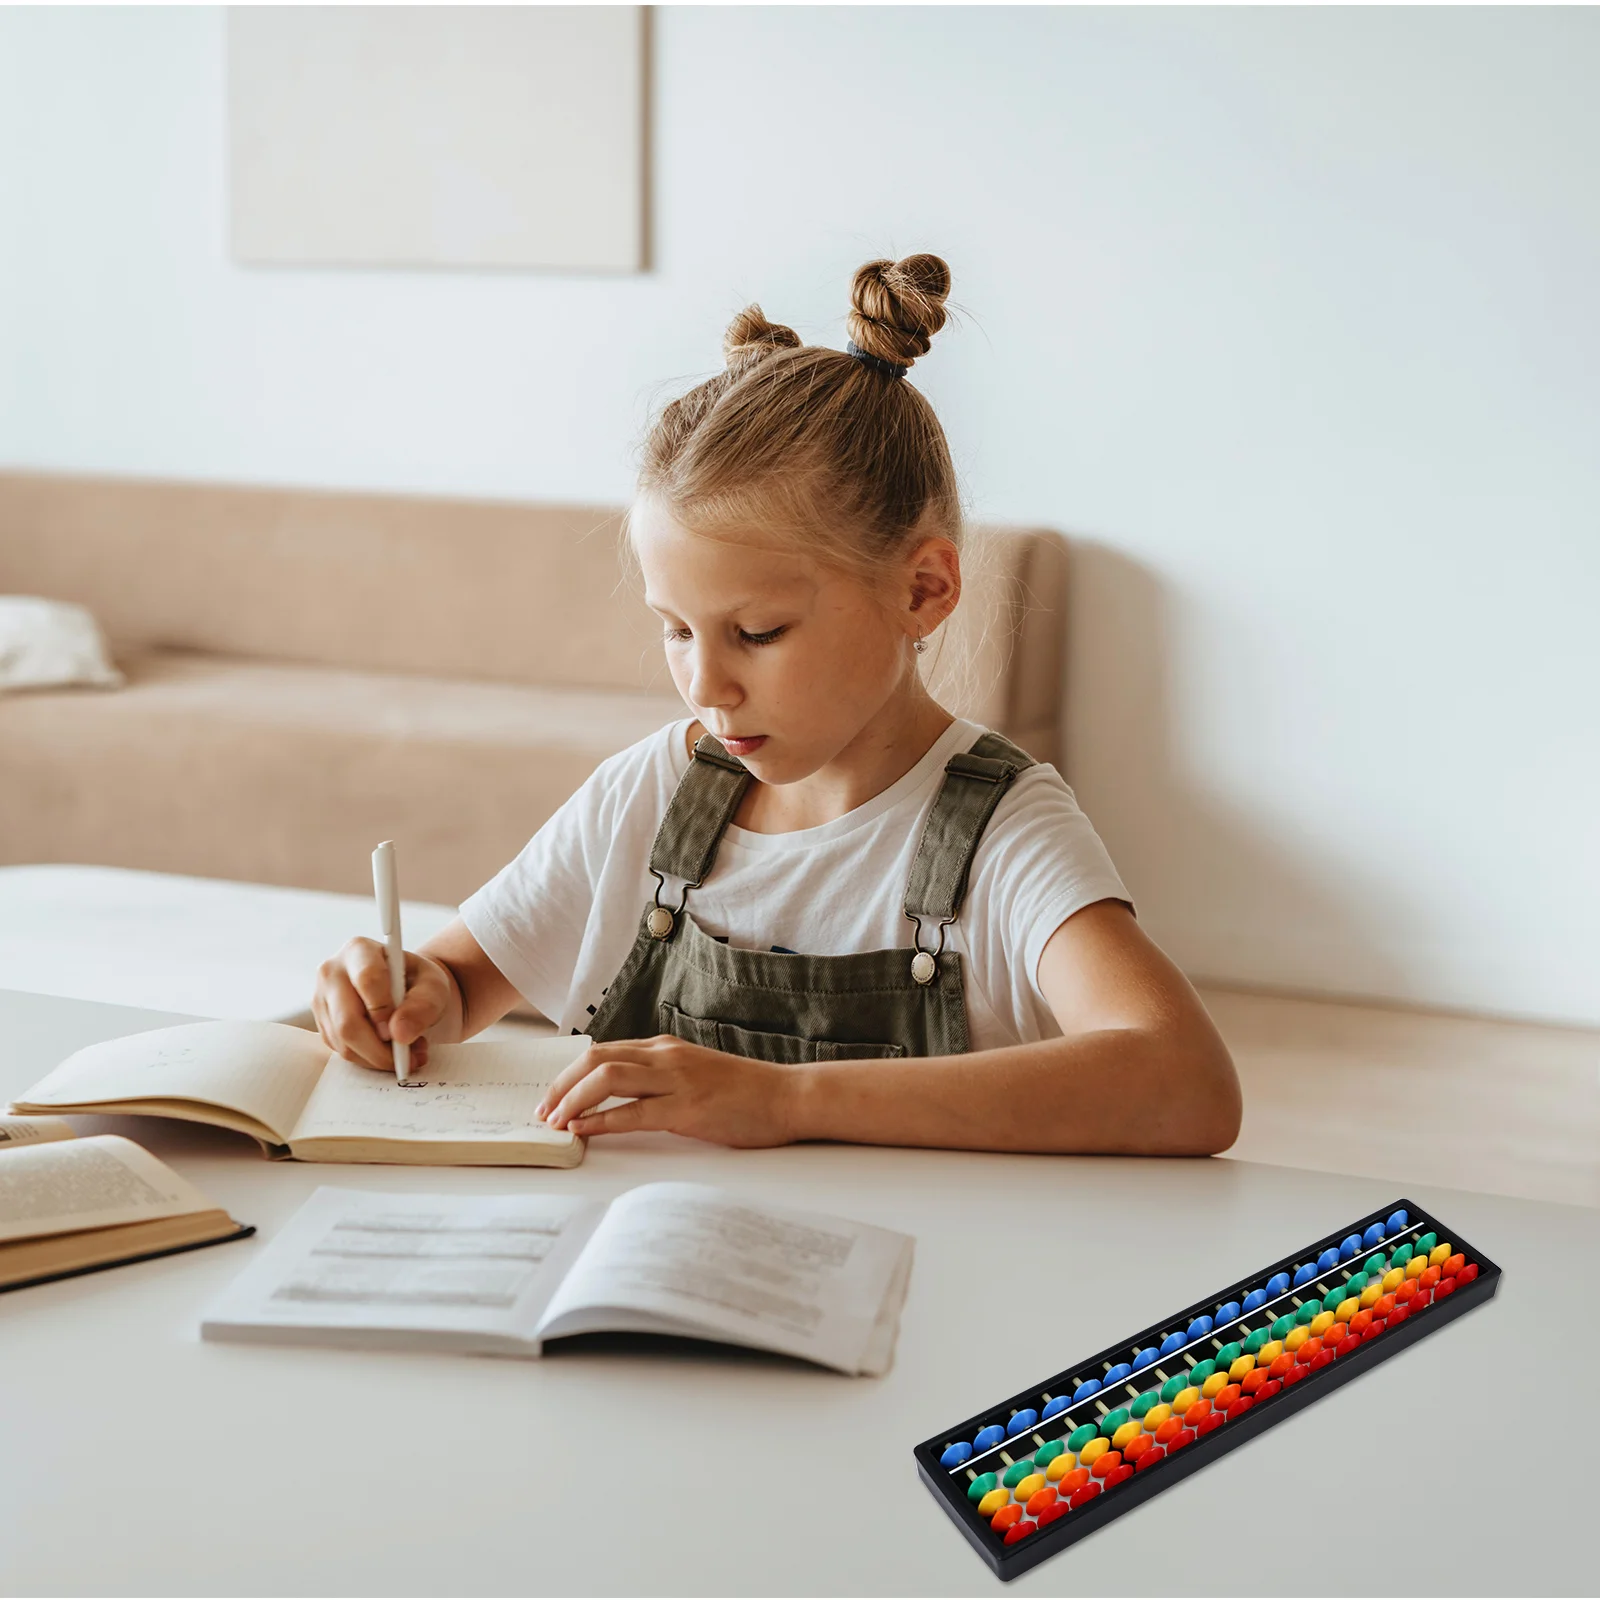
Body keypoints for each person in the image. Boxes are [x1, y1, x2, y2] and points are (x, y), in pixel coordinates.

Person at [311, 254, 1241, 1156]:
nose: (705, 687)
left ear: (923, 589)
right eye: (676, 630)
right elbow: (464, 978)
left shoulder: (1004, 834)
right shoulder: (655, 793)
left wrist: (787, 1098)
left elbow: (1185, 1084)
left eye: (757, 634)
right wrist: (409, 989)